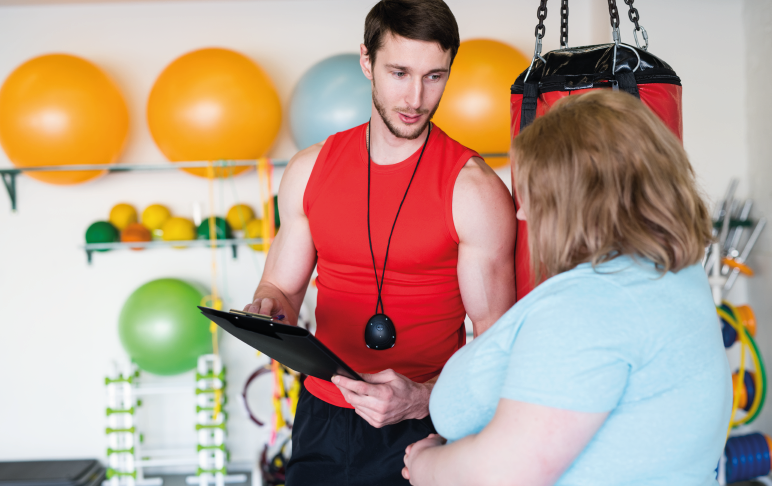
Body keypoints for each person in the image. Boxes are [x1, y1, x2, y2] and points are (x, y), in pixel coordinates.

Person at [243, 0, 517, 483]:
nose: (415, 97)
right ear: (367, 61)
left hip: (424, 423)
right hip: (322, 415)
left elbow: (497, 342)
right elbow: (281, 290)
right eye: (399, 72)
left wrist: (425, 396)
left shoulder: (472, 190)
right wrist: (268, 310)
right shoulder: (309, 170)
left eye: (435, 76)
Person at [402, 90, 732, 486]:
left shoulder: (593, 305)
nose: (521, 212)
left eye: (533, 195)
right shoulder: (673, 275)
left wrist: (426, 467)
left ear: (576, 202)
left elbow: (503, 473)